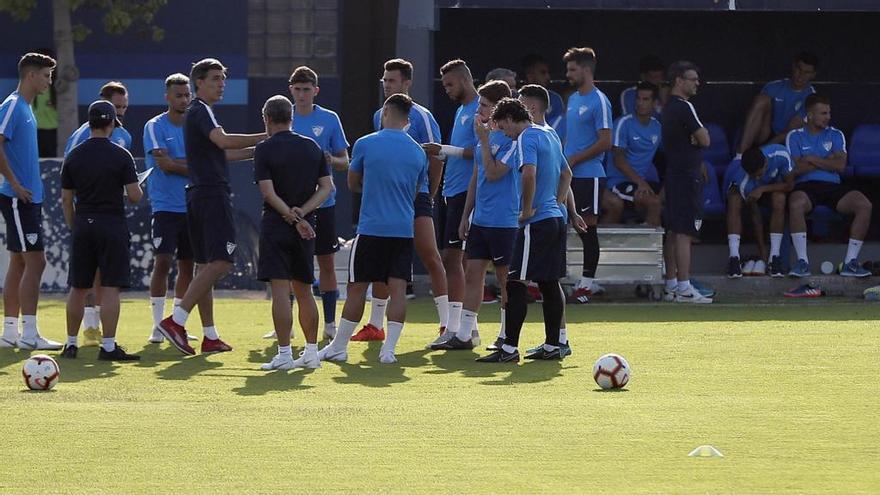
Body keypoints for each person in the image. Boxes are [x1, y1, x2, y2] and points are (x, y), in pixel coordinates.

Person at [155, 58, 266, 356]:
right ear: (199, 83)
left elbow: (224, 153)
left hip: (198, 195)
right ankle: (177, 321)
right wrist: (270, 135)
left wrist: (262, 149)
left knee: (205, 266)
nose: (221, 83)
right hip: (210, 195)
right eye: (215, 78)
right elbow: (225, 141)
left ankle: (210, 336)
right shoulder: (201, 111)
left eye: (223, 78)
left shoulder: (201, 114)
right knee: (221, 262)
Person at [318, 94, 428, 364]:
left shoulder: (366, 143)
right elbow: (416, 189)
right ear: (408, 118)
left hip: (372, 229)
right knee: (398, 289)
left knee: (357, 287)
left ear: (387, 111)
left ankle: (339, 347)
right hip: (403, 229)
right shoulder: (418, 151)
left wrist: (375, 189)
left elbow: (353, 183)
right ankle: (388, 350)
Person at [358, 58, 449, 346]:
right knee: (381, 260)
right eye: (384, 80)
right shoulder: (379, 116)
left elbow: (435, 157)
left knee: (430, 254)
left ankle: (448, 325)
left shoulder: (421, 116)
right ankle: (375, 324)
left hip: (417, 196)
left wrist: (429, 195)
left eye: (392, 80)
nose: (387, 85)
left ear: (407, 83)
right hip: (388, 200)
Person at [476, 98, 571, 363]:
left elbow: (528, 174)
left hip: (536, 222)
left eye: (502, 126)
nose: (504, 133)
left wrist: (528, 209)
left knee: (515, 283)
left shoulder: (526, 137)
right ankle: (554, 345)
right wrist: (557, 203)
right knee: (549, 283)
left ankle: (508, 349)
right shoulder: (548, 135)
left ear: (508, 119)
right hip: (554, 219)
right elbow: (567, 174)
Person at [432, 80, 516, 351]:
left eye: (484, 105)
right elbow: (477, 177)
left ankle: (506, 334)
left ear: (499, 109)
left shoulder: (512, 139)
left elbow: (493, 173)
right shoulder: (487, 137)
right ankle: (465, 334)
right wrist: (467, 214)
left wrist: (481, 139)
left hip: (504, 219)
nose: (478, 109)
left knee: (505, 279)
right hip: (481, 218)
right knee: (473, 271)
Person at [58, 100, 143, 360]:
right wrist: (139, 186)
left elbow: (66, 199)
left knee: (79, 286)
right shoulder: (121, 155)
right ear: (111, 124)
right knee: (109, 288)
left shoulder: (74, 155)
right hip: (111, 224)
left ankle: (71, 344)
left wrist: (76, 225)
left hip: (84, 223)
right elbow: (134, 196)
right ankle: (108, 346)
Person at [256, 95, 333, 370]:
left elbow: (268, 192)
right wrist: (302, 214)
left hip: (277, 225)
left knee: (280, 289)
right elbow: (326, 188)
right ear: (291, 118)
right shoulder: (312, 147)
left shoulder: (264, 149)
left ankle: (286, 353)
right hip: (306, 227)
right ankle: (311, 353)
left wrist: (290, 215)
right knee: (304, 290)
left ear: (267, 119)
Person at [0, 52, 60, 351]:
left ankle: (10, 332)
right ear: (31, 75)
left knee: (20, 262)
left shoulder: (27, 107)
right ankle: (29, 334)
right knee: (36, 261)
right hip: (17, 198)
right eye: (47, 75)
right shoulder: (12, 105)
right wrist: (14, 184)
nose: (50, 81)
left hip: (26, 198)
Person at [286, 66, 349, 341]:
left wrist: (329, 160)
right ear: (291, 90)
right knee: (290, 264)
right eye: (297, 89)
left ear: (316, 91)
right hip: (290, 206)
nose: (301, 94)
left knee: (325, 261)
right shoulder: (281, 115)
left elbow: (344, 161)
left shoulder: (329, 119)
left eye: (306, 89)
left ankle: (330, 323)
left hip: (323, 203)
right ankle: (285, 322)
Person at [422, 59, 478, 347]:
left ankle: (456, 328)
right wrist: (439, 156)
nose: (446, 89)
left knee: (453, 259)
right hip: (452, 191)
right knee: (460, 260)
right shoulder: (460, 111)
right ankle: (469, 327)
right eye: (444, 85)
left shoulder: (480, 109)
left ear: (465, 80)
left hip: (465, 194)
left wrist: (443, 149)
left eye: (450, 84)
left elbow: (478, 152)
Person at [785, 94, 872, 278]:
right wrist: (827, 160)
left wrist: (813, 159)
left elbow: (840, 166)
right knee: (795, 203)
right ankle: (802, 263)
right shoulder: (795, 136)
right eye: (823, 113)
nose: (828, 117)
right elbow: (796, 169)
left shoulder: (835, 134)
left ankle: (850, 263)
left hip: (832, 186)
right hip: (806, 187)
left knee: (864, 205)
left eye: (829, 113)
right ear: (810, 114)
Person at [144, 74, 201, 344]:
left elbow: (174, 161)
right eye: (178, 95)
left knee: (187, 266)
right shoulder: (154, 125)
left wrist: (177, 161)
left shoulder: (195, 125)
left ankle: (176, 322)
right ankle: (157, 324)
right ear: (167, 96)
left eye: (187, 94)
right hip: (165, 206)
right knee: (163, 261)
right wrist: (193, 165)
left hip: (192, 205)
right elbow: (163, 164)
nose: (184, 99)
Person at [563, 47, 613, 304]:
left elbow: (606, 141)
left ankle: (586, 285)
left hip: (590, 175)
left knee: (587, 228)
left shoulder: (599, 100)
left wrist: (575, 158)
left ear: (586, 70)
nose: (568, 74)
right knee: (560, 224)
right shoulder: (572, 99)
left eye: (572, 69)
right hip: (569, 175)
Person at [661, 61, 712, 303]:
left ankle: (671, 284)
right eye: (692, 79)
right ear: (679, 81)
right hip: (686, 177)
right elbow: (705, 139)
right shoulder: (684, 107)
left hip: (673, 174)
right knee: (683, 232)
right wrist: (695, 138)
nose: (697, 83)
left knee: (673, 230)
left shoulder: (668, 107)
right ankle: (684, 286)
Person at [724, 145, 793, 278]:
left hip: (772, 189)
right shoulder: (742, 180)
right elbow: (755, 215)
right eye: (753, 176)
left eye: (759, 174)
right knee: (734, 199)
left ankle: (775, 257)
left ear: (766, 163)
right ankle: (734, 258)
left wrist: (762, 189)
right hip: (750, 195)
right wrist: (762, 253)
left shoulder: (780, 154)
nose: (757, 178)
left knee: (779, 198)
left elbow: (790, 185)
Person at [602, 81, 663, 228]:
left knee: (670, 198)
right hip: (617, 182)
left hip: (639, 182)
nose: (640, 103)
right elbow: (619, 160)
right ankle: (648, 247)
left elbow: (671, 153)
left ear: (655, 103)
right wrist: (640, 182)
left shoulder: (657, 126)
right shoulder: (623, 123)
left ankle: (659, 247)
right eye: (638, 98)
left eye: (646, 99)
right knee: (654, 203)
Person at [736, 52, 818, 158]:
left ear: (813, 75)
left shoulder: (811, 97)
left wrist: (759, 153)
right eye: (799, 69)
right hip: (765, 135)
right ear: (793, 67)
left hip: (787, 142)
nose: (800, 76)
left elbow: (787, 133)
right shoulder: (773, 86)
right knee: (762, 99)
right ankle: (740, 156)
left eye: (806, 72)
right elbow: (758, 119)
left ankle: (752, 157)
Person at [521, 53, 566, 140]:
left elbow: (559, 128)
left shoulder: (555, 99)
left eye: (548, 72)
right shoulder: (518, 98)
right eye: (543, 73)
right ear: (530, 75)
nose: (548, 77)